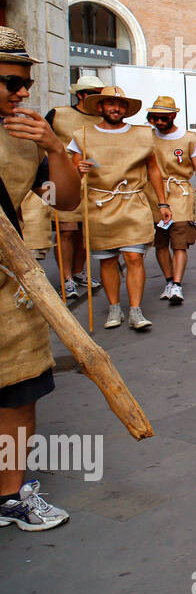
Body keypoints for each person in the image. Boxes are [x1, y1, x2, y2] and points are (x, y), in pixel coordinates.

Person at [0, 27, 83, 529]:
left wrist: (54, 146)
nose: (23, 93)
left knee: (19, 392)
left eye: (26, 83)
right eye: (11, 83)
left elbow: (66, 200)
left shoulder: (25, 135)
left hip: (11, 291)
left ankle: (10, 494)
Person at [66, 86, 168, 332]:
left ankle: (135, 310)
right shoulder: (82, 136)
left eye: (121, 105)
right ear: (100, 107)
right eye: (111, 104)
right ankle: (114, 308)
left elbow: (153, 169)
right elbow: (70, 172)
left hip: (133, 202)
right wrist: (77, 171)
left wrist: (163, 202)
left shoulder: (144, 134)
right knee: (108, 260)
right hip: (99, 205)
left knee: (134, 257)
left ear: (127, 110)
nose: (116, 108)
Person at [45, 75, 104, 300]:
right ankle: (66, 278)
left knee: (84, 233)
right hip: (63, 182)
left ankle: (79, 272)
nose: (96, 101)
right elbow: (43, 146)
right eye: (92, 94)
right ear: (80, 95)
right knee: (66, 231)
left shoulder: (102, 120)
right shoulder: (58, 114)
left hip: (92, 184)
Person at [145, 96, 196, 304]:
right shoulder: (148, 137)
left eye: (163, 118)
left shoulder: (189, 138)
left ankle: (177, 285)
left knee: (180, 241)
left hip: (181, 192)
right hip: (154, 191)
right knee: (161, 242)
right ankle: (169, 281)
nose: (159, 122)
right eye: (155, 118)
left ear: (173, 116)